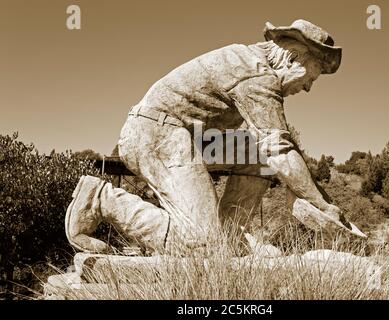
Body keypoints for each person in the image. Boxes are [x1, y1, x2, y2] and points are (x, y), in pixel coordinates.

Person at [66, 19, 365, 255]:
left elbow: (272, 150)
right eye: (310, 78)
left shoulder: (253, 64)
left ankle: (227, 242)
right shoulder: (256, 75)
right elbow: (280, 150)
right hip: (155, 132)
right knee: (199, 243)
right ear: (291, 58)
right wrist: (323, 205)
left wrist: (314, 196)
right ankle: (101, 199)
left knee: (255, 157)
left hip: (187, 136)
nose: (309, 88)